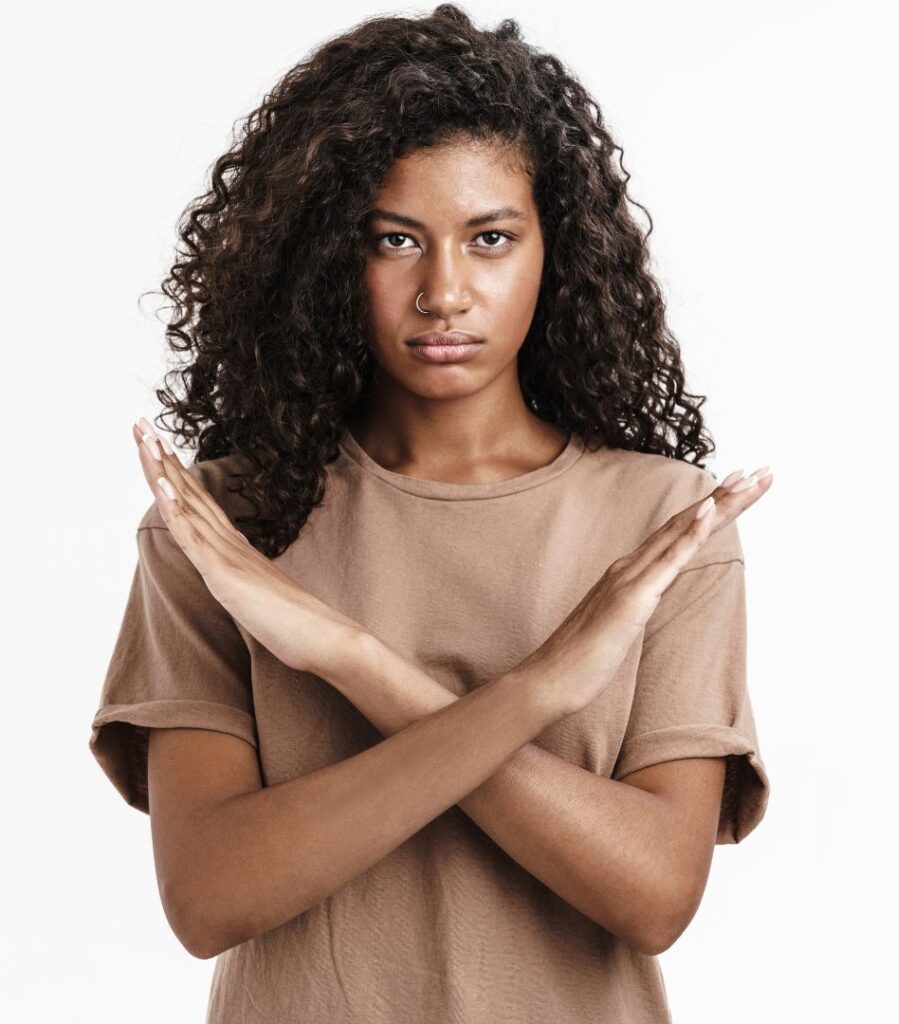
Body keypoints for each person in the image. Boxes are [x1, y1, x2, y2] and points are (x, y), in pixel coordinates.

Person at [89, 5, 773, 1021]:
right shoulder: (219, 526)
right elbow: (208, 895)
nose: (444, 291)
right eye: (395, 240)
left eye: (489, 238)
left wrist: (350, 660)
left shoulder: (659, 527)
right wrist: (539, 687)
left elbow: (653, 895)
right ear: (325, 257)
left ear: (556, 250)